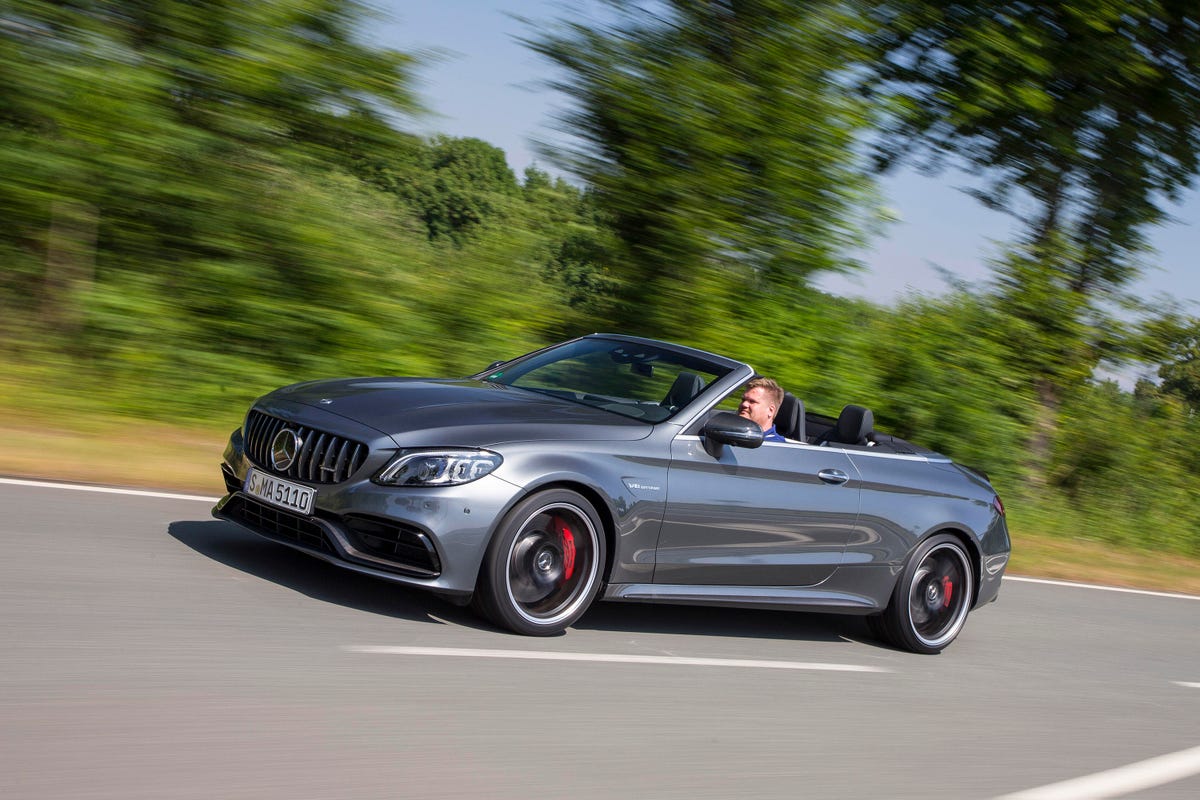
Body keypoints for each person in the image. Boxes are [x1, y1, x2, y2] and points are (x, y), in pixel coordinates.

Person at [737, 377, 785, 442]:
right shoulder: (736, 435)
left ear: (771, 411)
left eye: (752, 401)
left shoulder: (775, 446)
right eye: (743, 400)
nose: (744, 404)